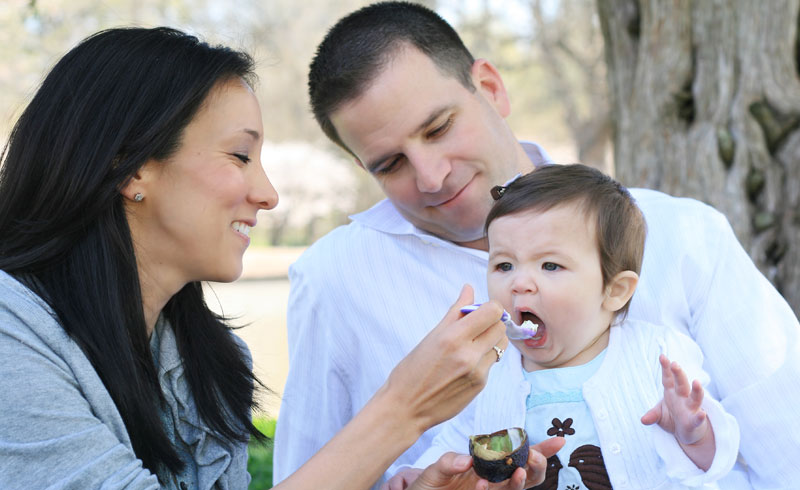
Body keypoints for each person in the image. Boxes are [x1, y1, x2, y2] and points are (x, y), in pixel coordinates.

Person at [0, 26, 562, 490]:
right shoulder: (12, 339)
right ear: (131, 168)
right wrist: (404, 408)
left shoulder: (207, 363)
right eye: (240, 155)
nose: (268, 193)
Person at [274, 2, 800, 488]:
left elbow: (787, 448)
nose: (431, 177)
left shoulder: (681, 232)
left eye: (438, 128)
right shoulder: (334, 279)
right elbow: (312, 473)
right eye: (390, 164)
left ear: (491, 87)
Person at [386, 164, 740, 489]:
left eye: (550, 266)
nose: (520, 283)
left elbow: (716, 463)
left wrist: (694, 435)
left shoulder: (658, 353)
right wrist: (421, 472)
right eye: (505, 265)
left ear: (614, 290)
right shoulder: (489, 370)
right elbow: (457, 443)